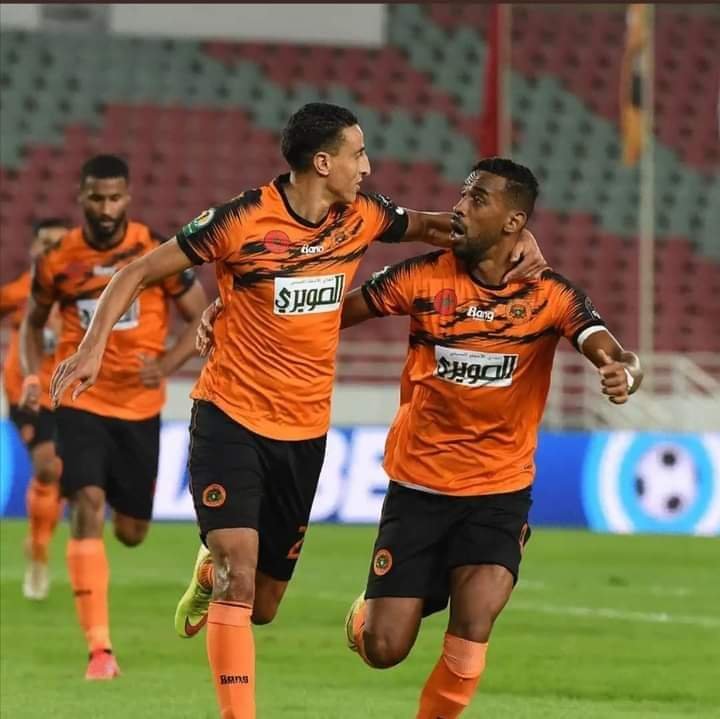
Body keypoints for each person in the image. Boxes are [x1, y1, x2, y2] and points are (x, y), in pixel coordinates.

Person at [49, 105, 545, 716]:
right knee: (238, 571)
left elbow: (443, 227)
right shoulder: (240, 220)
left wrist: (522, 240)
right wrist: (91, 347)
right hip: (229, 416)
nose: (368, 166)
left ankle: (208, 574)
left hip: (303, 432)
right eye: (358, 154)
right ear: (324, 162)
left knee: (262, 605)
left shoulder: (363, 216)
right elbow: (138, 270)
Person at [338, 158, 643, 719]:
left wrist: (622, 369)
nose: (459, 207)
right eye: (462, 194)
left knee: (474, 624)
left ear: (513, 221)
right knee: (383, 648)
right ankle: (383, 607)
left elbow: (609, 345)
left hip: (498, 493)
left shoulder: (550, 294)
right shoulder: (423, 276)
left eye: (477, 199)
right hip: (420, 486)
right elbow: (334, 315)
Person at [20, 154, 208, 680]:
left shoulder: (156, 251)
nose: (106, 209)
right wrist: (33, 376)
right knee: (87, 502)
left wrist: (167, 364)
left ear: (128, 197)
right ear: (81, 197)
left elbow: (202, 314)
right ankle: (100, 650)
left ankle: (93, 526)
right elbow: (32, 325)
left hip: (139, 408)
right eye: (97, 198)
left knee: (131, 532)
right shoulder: (58, 259)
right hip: (81, 399)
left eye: (115, 198)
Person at [1, 218, 69, 600]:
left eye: (60, 244)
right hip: (25, 394)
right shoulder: (19, 292)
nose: (52, 251)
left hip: (68, 393)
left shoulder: (84, 293)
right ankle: (39, 552)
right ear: (33, 249)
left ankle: (39, 541)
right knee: (46, 467)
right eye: (46, 243)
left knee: (58, 474)